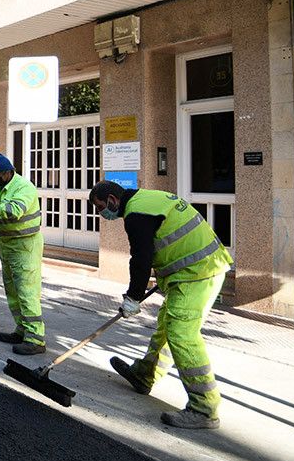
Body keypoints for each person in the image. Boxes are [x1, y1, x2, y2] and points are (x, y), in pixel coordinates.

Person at [89, 180, 233, 429]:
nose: (102, 214)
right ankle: (145, 374)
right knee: (166, 326)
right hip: (192, 269)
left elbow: (141, 259)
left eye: (101, 207)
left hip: (199, 272)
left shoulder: (136, 214)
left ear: (113, 200)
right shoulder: (146, 198)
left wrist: (133, 297)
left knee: (182, 334)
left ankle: (204, 408)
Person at [0, 152, 46, 355]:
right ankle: (21, 329)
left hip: (25, 246)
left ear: (7, 172)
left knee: (27, 292)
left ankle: (35, 339)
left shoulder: (24, 187)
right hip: (6, 244)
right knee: (13, 292)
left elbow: (14, 210)